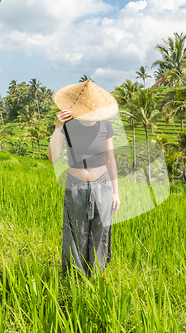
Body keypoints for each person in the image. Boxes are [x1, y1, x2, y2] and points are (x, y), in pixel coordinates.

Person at [47, 80, 121, 279]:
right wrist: (57, 126)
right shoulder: (68, 126)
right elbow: (52, 157)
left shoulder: (106, 126)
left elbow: (110, 159)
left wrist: (115, 192)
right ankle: (75, 277)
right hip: (76, 185)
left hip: (103, 186)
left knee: (101, 229)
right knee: (76, 231)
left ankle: (96, 275)